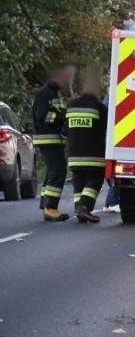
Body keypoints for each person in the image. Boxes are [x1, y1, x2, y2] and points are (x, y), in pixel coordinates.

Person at [32, 62, 76, 221]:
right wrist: (65, 116)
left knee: (52, 173)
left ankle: (46, 206)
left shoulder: (54, 93)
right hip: (48, 139)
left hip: (54, 139)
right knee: (58, 172)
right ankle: (51, 207)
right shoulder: (45, 93)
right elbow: (42, 116)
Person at [66, 72, 108, 223]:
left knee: (79, 181)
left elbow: (66, 129)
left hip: (74, 155)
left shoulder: (70, 106)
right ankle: (84, 207)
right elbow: (107, 129)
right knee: (95, 180)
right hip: (93, 155)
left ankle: (79, 209)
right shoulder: (99, 108)